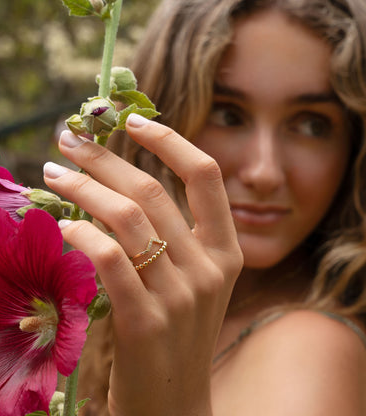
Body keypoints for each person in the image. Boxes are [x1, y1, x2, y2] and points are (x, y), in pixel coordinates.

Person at [43, 0, 366, 414]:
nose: (264, 172)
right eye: (228, 114)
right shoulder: (94, 319)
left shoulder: (315, 350)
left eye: (312, 124)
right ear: (152, 117)